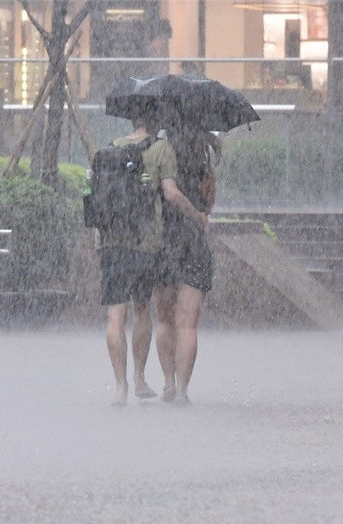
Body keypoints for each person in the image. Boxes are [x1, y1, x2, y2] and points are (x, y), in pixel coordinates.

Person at [96, 112, 208, 406]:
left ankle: (121, 388)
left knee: (115, 317)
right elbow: (171, 193)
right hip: (144, 243)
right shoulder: (160, 149)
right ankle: (143, 379)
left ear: (132, 120)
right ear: (156, 122)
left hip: (110, 241)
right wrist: (197, 215)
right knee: (143, 311)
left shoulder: (110, 148)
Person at [153, 128, 219, 406]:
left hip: (163, 243)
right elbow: (208, 208)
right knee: (188, 325)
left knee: (165, 320)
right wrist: (195, 215)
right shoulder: (206, 171)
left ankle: (168, 383)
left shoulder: (160, 161)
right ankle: (182, 390)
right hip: (193, 244)